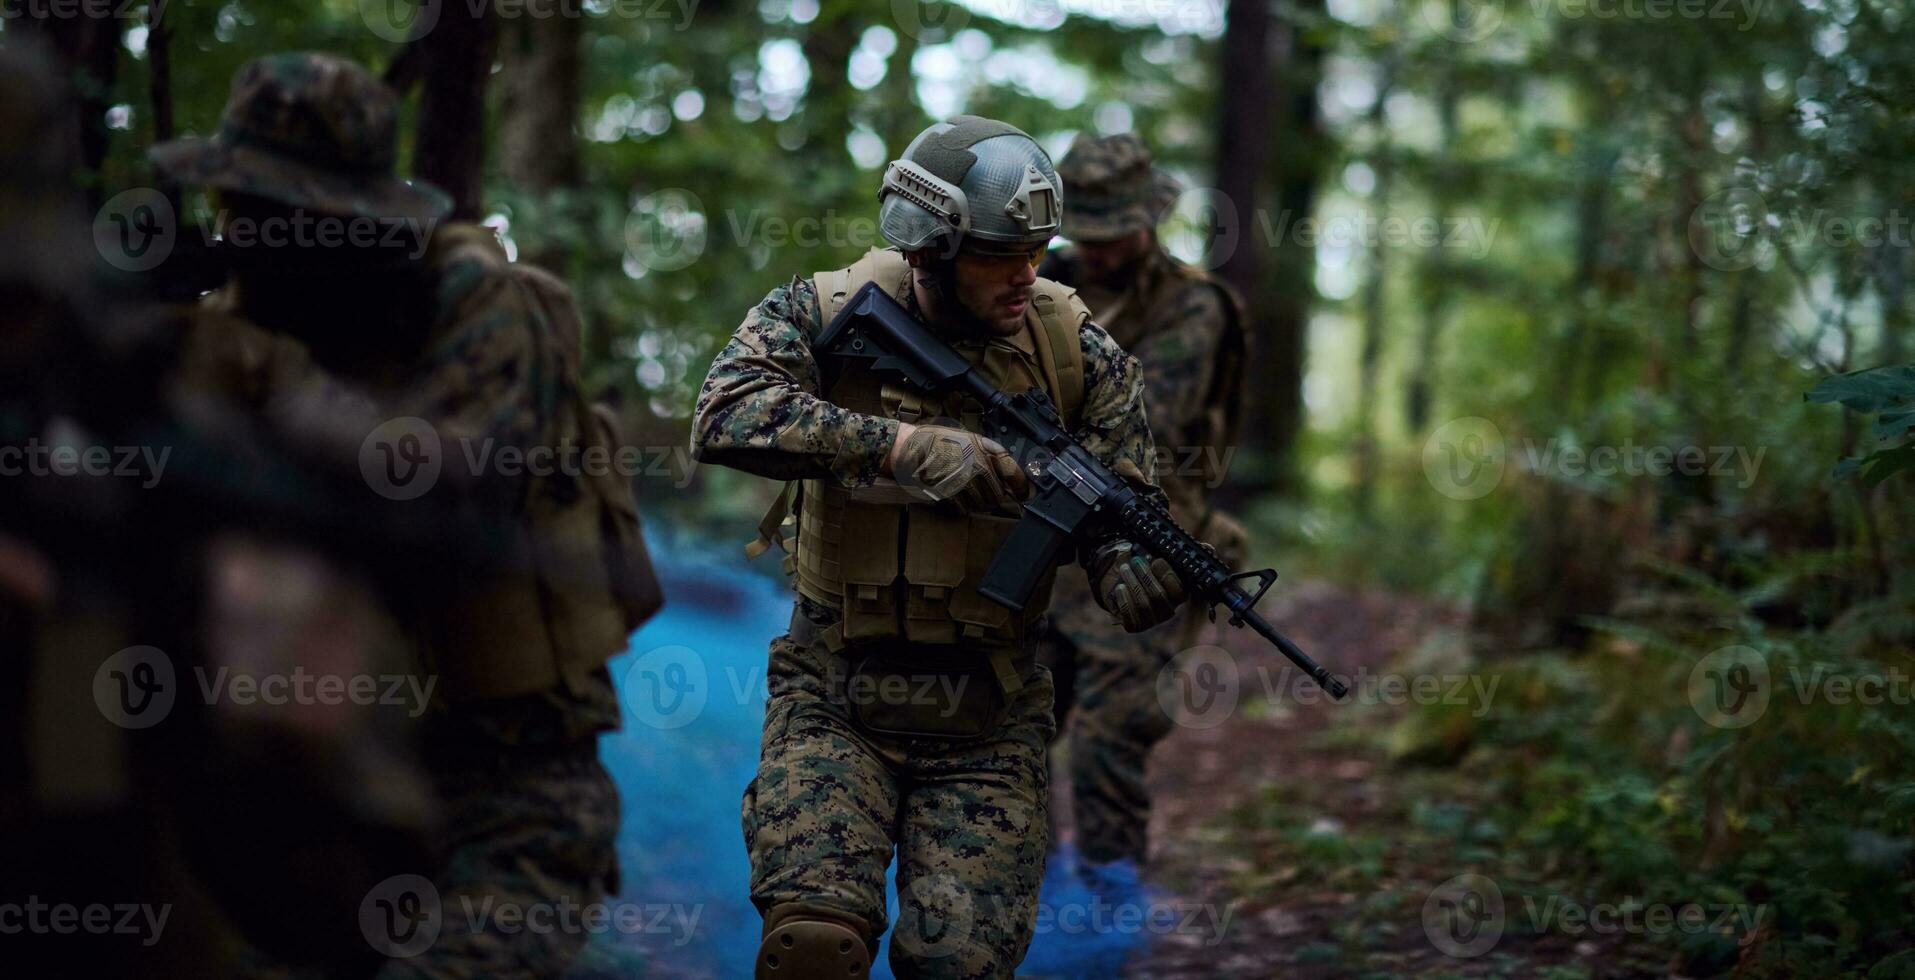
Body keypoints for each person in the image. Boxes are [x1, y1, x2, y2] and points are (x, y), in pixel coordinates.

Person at [149, 52, 660, 978]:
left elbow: (452, 483)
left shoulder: (479, 301)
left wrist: (275, 385)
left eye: (281, 216)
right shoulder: (234, 328)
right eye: (239, 207)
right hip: (314, 788)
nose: (248, 238)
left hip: (508, 790)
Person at [692, 115, 1191, 979]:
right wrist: (896, 446)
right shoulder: (826, 309)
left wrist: (1128, 573)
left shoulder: (1079, 353)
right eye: (1001, 253)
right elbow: (723, 411)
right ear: (929, 247)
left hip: (990, 718)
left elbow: (1120, 510)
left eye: (1037, 250)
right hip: (835, 694)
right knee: (815, 947)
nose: (1026, 274)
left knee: (955, 966)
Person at [1034, 132, 1249, 872]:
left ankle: (1104, 920)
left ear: (1146, 220)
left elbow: (1143, 423)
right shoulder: (1032, 282)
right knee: (1005, 739)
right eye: (1084, 232)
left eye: (1111, 232)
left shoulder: (1192, 306)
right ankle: (1002, 911)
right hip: (1034, 547)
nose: (1095, 249)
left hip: (1140, 555)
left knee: (1107, 747)